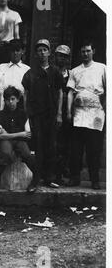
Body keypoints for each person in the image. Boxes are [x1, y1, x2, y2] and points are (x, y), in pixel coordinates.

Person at [22, 39, 64, 188]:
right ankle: (36, 179)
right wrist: (28, 114)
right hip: (37, 115)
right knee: (38, 146)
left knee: (51, 146)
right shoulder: (30, 73)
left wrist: (59, 113)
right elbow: (26, 95)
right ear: (35, 54)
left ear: (49, 52)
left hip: (51, 115)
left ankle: (49, 178)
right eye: (39, 50)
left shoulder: (55, 72)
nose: (42, 52)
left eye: (44, 50)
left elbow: (60, 92)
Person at [66, 41, 106, 190]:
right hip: (79, 114)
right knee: (76, 148)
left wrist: (106, 109)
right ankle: (75, 177)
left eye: (88, 51)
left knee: (94, 148)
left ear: (93, 51)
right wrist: (68, 111)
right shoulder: (75, 71)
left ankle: (94, 180)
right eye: (83, 51)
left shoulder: (102, 68)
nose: (85, 54)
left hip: (96, 113)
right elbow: (70, 92)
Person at [0, 86, 39, 193]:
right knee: (6, 153)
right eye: (7, 100)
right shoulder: (1, 114)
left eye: (13, 99)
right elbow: (0, 136)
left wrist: (10, 135)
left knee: (26, 153)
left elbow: (27, 134)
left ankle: (36, 179)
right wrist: (20, 134)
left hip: (19, 141)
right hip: (6, 141)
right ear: (5, 101)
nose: (10, 102)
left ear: (17, 99)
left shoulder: (23, 114)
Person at [0, 39, 30, 110]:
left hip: (21, 104)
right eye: (12, 50)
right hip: (3, 103)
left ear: (22, 51)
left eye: (17, 50)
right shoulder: (0, 68)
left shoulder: (27, 70)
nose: (15, 53)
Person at [54, 45, 72, 184]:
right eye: (59, 55)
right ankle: (51, 173)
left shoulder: (71, 75)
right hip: (52, 112)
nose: (61, 58)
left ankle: (61, 173)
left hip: (67, 114)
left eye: (64, 56)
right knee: (53, 143)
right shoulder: (52, 72)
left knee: (65, 144)